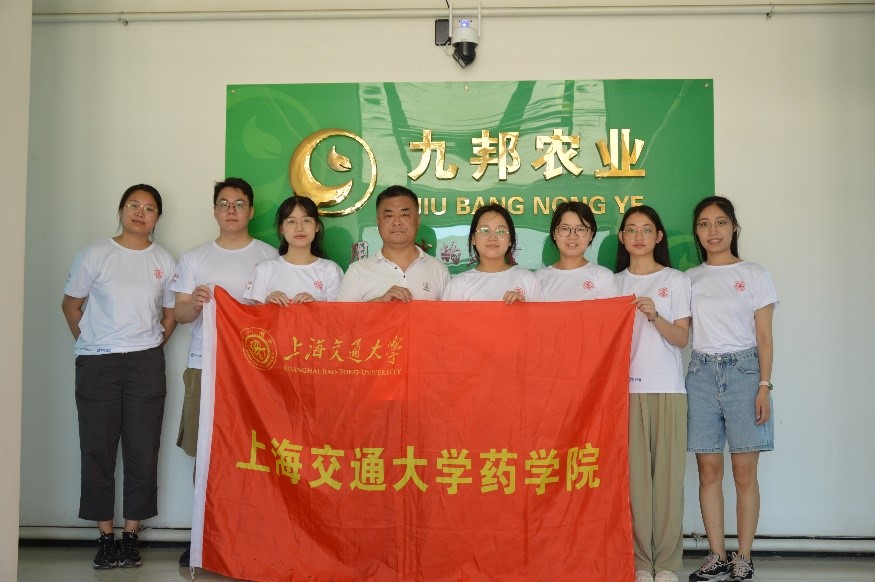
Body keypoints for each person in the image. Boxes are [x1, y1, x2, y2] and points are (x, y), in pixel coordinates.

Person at [61, 184, 177, 569]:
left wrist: (149, 346)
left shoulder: (164, 260)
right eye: (133, 205)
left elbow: (170, 315)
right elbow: (71, 306)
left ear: (157, 217)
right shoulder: (95, 254)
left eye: (149, 208)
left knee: (143, 449)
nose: (140, 213)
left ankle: (131, 536)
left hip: (145, 363)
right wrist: (93, 342)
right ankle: (104, 537)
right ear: (121, 210)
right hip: (98, 364)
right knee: (98, 448)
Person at [170, 177, 278, 566]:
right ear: (214, 210)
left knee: (253, 453)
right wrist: (196, 304)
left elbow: (276, 318)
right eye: (224, 204)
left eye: (239, 204)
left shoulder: (268, 257)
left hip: (254, 372)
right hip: (205, 365)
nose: (231, 211)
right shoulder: (195, 258)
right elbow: (180, 314)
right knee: (207, 453)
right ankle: (204, 536)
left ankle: (250, 536)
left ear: (251, 211)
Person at [685, 196, 777, 582]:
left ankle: (744, 556)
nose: (713, 231)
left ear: (734, 227)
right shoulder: (689, 279)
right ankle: (717, 554)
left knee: (743, 471)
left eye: (721, 222)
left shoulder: (754, 274)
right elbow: (680, 331)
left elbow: (765, 337)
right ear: (697, 232)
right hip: (701, 375)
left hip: (744, 374)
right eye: (704, 224)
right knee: (708, 469)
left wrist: (764, 386)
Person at [614, 206, 691, 582]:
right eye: (631, 230)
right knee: (635, 482)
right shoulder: (612, 283)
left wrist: (654, 315)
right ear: (622, 238)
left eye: (647, 229)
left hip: (668, 390)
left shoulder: (675, 281)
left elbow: (681, 338)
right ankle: (641, 561)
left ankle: (668, 563)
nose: (639, 236)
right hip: (624, 394)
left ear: (659, 236)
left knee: (668, 480)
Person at [336, 185, 449, 302]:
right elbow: (341, 314)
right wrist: (380, 302)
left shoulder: (439, 270)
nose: (397, 222)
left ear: (418, 221)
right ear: (378, 221)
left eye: (404, 215)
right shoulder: (357, 272)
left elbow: (451, 313)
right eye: (389, 215)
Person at [244, 195, 343, 304]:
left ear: (317, 226)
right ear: (281, 228)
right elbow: (256, 313)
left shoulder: (331, 270)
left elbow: (337, 313)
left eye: (306, 220)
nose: (299, 228)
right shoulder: (265, 269)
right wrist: (268, 304)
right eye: (291, 221)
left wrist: (315, 305)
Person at [442, 203, 541, 303]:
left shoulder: (528, 281)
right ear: (473, 239)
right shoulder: (459, 284)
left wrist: (523, 308)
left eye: (500, 231)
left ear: (510, 240)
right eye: (485, 230)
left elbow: (540, 313)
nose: (492, 237)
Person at [535, 201, 619, 300]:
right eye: (565, 228)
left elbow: (609, 310)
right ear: (554, 234)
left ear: (591, 235)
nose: (572, 236)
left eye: (580, 229)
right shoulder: (538, 279)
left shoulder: (603, 277)